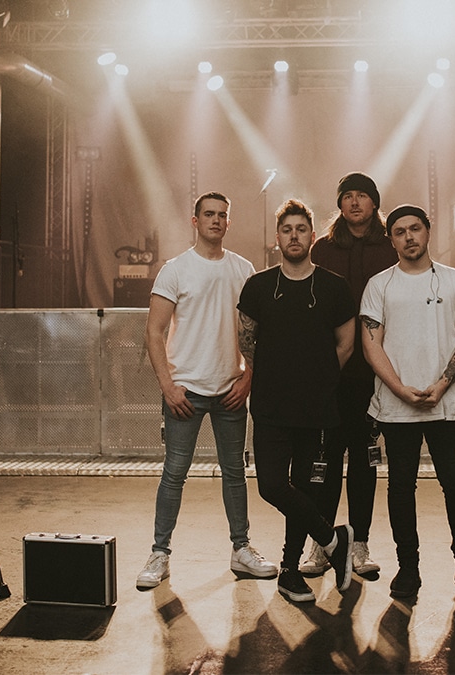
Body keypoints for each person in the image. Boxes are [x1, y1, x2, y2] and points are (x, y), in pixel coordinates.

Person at [137, 191, 278, 590]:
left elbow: (256, 332)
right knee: (174, 474)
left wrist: (247, 379)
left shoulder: (243, 269)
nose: (216, 220)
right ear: (195, 220)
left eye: (222, 215)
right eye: (209, 214)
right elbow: (153, 332)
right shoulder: (175, 270)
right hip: (185, 392)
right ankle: (159, 554)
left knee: (235, 474)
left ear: (228, 222)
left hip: (230, 389)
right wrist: (168, 387)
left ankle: (241, 549)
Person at [359, 204, 455, 600]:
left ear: (428, 231)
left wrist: (442, 384)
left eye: (415, 228)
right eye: (400, 231)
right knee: (400, 488)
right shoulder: (379, 285)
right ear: (391, 240)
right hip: (397, 408)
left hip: (447, 406)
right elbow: (371, 344)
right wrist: (399, 389)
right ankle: (408, 568)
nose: (409, 236)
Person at [237, 198, 358, 602]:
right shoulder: (258, 286)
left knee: (305, 488)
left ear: (312, 236)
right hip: (270, 406)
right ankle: (333, 539)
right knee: (272, 486)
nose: (294, 236)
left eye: (301, 229)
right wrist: (276, 376)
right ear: (278, 237)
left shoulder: (333, 287)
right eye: (287, 229)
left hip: (317, 408)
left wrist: (317, 378)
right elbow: (246, 341)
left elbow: (346, 344)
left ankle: (290, 570)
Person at [302, 171, 397, 578]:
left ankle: (359, 544)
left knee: (364, 460)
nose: (355, 202)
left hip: (374, 374)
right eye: (348, 196)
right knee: (323, 460)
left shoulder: (390, 247)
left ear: (374, 203)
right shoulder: (322, 249)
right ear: (339, 204)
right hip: (330, 373)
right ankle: (322, 544)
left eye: (362, 195)